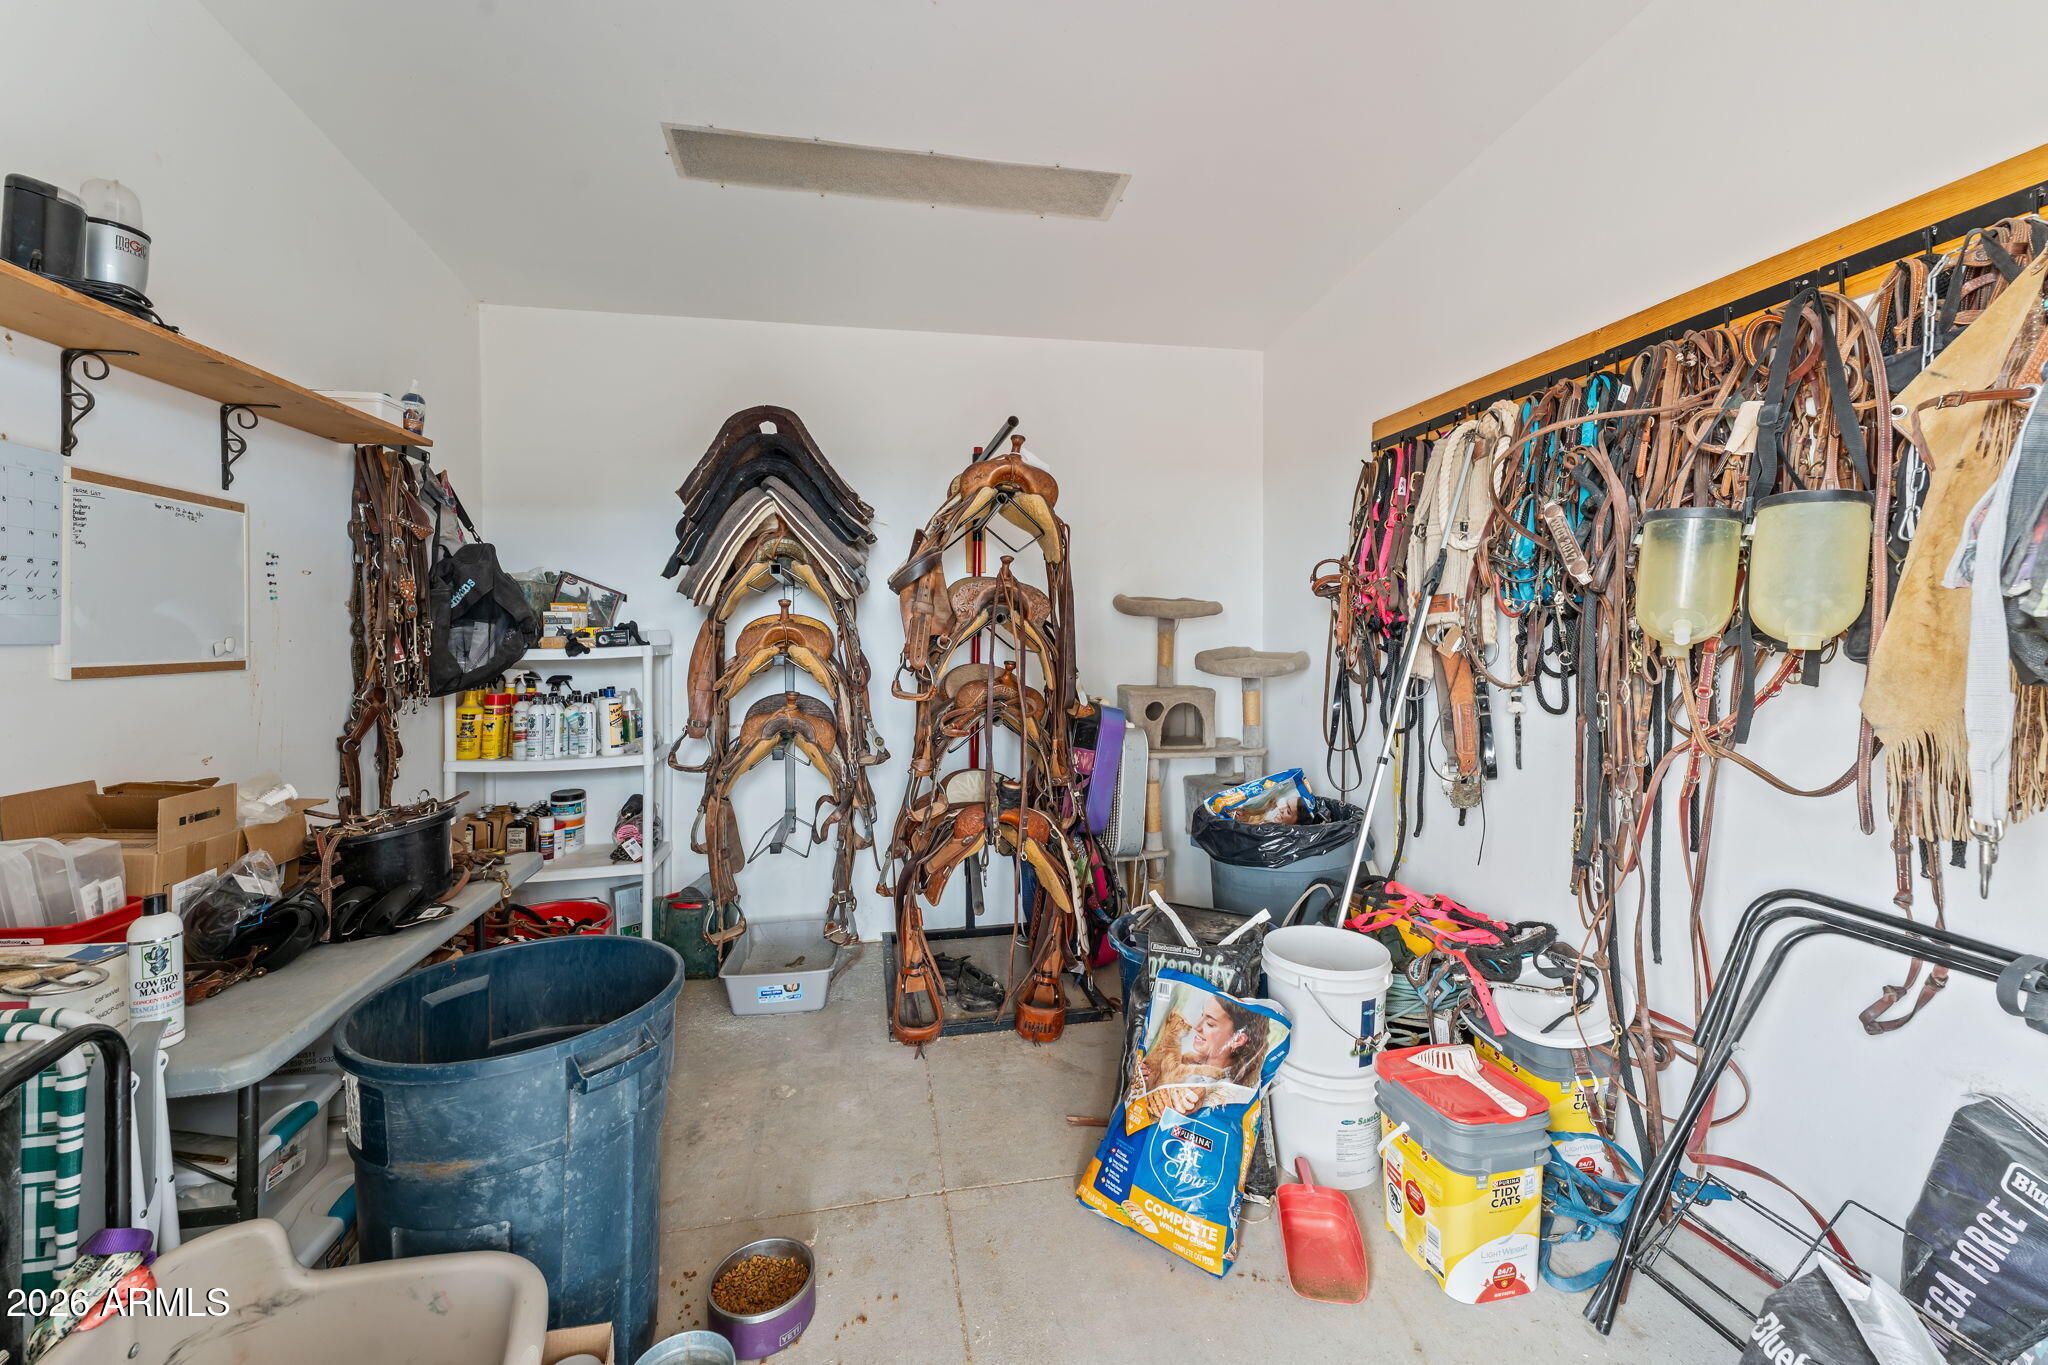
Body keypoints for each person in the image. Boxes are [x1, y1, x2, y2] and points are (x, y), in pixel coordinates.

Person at [1138, 991, 1272, 1116]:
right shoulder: (1189, 1060)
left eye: (1210, 1023)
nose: (1196, 1026)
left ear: (1237, 1039)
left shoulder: (1231, 1090)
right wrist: (1143, 1079)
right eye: (1202, 1015)